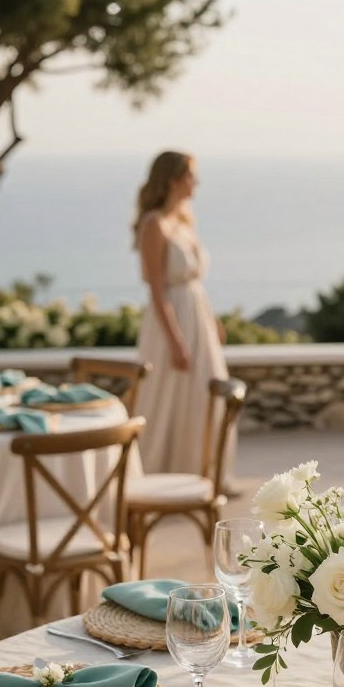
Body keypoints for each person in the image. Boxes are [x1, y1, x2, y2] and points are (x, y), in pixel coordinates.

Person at [133, 151, 230, 475]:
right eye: (191, 176)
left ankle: (206, 471)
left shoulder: (184, 221)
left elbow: (194, 282)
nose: (196, 183)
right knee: (167, 398)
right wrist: (175, 341)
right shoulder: (153, 225)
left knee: (205, 395)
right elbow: (157, 288)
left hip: (196, 315)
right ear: (174, 180)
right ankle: (159, 473)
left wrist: (211, 320)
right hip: (171, 321)